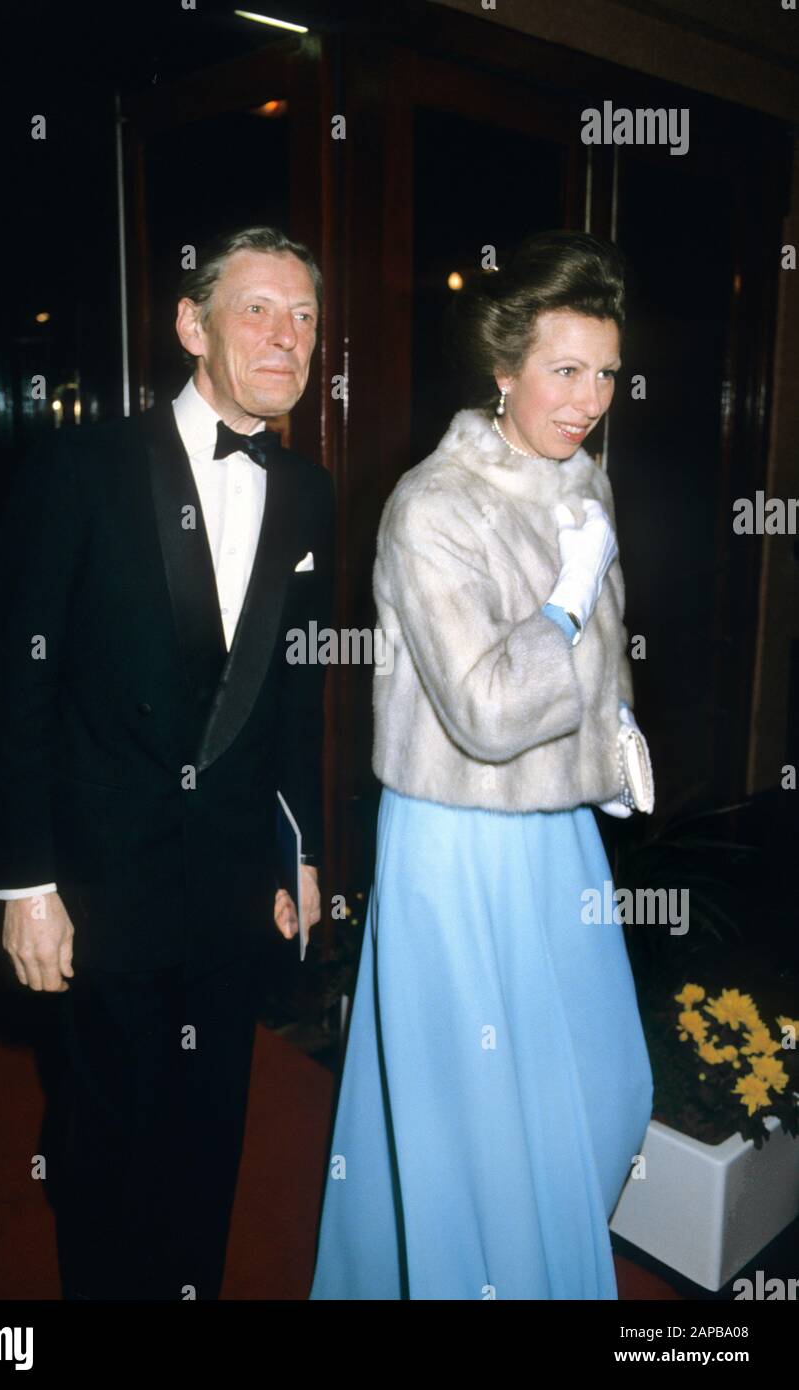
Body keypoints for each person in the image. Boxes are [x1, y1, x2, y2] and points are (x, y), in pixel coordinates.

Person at [0, 226, 335, 1300]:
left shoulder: (308, 491)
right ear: (192, 325)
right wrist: (24, 881)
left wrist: (298, 854)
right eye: (258, 309)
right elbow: (13, 684)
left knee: (206, 1136)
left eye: (306, 316)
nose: (287, 337)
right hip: (100, 874)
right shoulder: (83, 466)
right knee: (103, 1148)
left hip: (230, 881)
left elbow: (292, 697)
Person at [309, 230, 654, 1300]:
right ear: (503, 370)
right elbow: (491, 710)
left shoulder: (577, 480)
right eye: (564, 369)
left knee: (606, 1088)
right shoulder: (432, 506)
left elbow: (594, 671)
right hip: (456, 839)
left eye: (602, 372)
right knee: (480, 1122)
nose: (589, 396)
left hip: (558, 831)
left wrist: (613, 745)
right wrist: (563, 598)